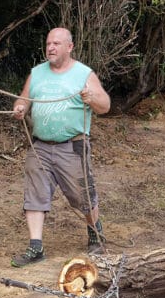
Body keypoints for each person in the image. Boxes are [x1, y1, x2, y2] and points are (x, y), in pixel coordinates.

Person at [10, 27, 111, 267]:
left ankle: (95, 235)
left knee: (82, 195)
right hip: (40, 147)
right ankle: (36, 247)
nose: (51, 48)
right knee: (34, 195)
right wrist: (20, 107)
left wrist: (92, 98)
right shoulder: (37, 73)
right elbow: (24, 97)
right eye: (48, 44)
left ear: (69, 47)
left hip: (72, 146)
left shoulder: (84, 74)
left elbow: (105, 105)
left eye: (56, 43)